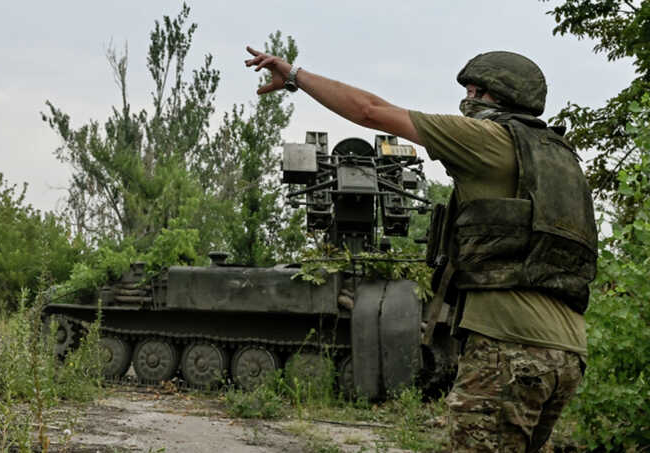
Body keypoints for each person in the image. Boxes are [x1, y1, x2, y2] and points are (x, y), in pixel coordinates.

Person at [245, 47, 597, 452]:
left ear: (497, 97)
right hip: (567, 352)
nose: (468, 99)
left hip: (508, 345)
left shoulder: (488, 139)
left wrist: (294, 75)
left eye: (475, 91)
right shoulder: (563, 160)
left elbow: (370, 111)